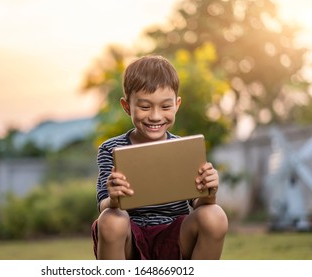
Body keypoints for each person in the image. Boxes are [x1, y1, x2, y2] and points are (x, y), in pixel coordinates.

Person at [91, 55, 228, 260]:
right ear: (127, 106)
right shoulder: (111, 148)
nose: (155, 116)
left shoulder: (183, 148)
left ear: (176, 105)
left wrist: (210, 192)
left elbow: (199, 203)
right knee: (111, 219)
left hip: (175, 235)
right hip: (130, 236)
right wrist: (113, 197)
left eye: (165, 107)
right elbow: (103, 205)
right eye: (145, 107)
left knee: (215, 215)